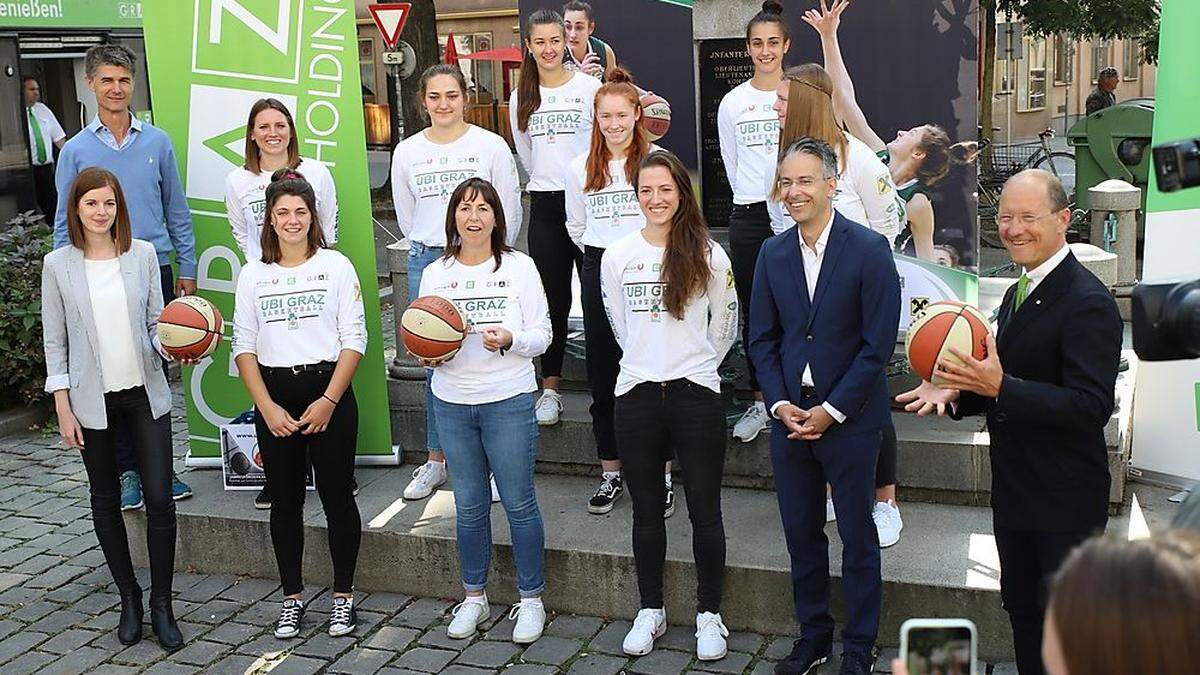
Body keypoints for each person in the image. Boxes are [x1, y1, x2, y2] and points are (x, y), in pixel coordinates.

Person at [897, 169, 1122, 675]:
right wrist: (956, 392)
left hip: (1065, 500)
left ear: (1064, 220)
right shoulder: (1020, 290)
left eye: (1028, 217)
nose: (1014, 228)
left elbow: (1090, 407)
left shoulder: (1088, 302)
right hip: (1017, 491)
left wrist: (999, 387)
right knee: (1023, 612)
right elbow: (1001, 380)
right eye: (1004, 216)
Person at [750, 138, 901, 675]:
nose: (794, 192)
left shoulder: (868, 249)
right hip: (791, 418)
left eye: (805, 180)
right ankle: (813, 638)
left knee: (859, 538)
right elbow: (761, 341)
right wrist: (779, 403)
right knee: (801, 535)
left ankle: (859, 649)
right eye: (786, 181)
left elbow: (877, 346)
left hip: (852, 420)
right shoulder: (773, 253)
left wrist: (833, 410)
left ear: (832, 183)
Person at [602, 150, 738, 661]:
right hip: (635, 394)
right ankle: (651, 609)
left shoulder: (708, 254)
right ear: (635, 197)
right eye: (646, 191)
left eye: (665, 190)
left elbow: (725, 324)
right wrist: (648, 363)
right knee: (645, 511)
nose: (656, 200)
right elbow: (619, 323)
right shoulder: (617, 256)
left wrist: (695, 364)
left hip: (695, 393)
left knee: (705, 510)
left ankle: (709, 615)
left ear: (682, 193)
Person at [41, 168, 184, 650]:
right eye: (91, 204)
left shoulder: (141, 256)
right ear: (76, 210)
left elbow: (154, 324)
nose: (101, 212)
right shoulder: (57, 265)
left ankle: (163, 604)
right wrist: (63, 405)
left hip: (145, 394)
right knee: (105, 500)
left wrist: (175, 345)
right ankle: (129, 598)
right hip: (90, 401)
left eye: (109, 203)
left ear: (118, 207)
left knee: (161, 498)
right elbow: (54, 342)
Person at [764, 61, 906, 546]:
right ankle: (831, 490)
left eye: (783, 99)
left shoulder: (859, 158)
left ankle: (884, 499)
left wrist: (864, 270)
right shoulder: (783, 161)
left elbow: (891, 219)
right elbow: (779, 224)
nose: (776, 107)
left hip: (858, 293)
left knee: (866, 396)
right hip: (804, 300)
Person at [53, 43, 194, 511]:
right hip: (94, 272)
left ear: (133, 85)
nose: (116, 88)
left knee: (153, 370)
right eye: (107, 80)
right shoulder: (75, 150)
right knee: (109, 373)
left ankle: (159, 466)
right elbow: (62, 219)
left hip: (152, 268)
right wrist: (62, 282)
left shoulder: (157, 142)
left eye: (124, 80)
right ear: (90, 84)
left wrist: (187, 269)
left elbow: (177, 208)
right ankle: (128, 470)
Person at [232, 170, 366, 640]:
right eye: (282, 212)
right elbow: (243, 346)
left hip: (328, 393)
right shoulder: (253, 274)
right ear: (269, 218)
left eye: (301, 212)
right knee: (284, 503)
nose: (292, 221)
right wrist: (265, 408)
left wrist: (330, 400)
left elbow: (355, 339)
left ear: (314, 217)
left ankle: (343, 599)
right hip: (276, 401)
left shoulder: (335, 266)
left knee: (336, 499)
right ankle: (291, 599)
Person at [417, 178, 552, 645]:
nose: (473, 217)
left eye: (482, 208)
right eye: (464, 208)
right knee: (469, 506)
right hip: (453, 402)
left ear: (497, 217)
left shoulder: (520, 268)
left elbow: (544, 334)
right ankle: (473, 597)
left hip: (508, 399)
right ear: (453, 217)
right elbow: (422, 334)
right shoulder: (436, 273)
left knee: (518, 502)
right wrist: (430, 353)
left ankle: (532, 599)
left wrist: (512, 339)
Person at [393, 64, 522, 503]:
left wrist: (494, 256)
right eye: (434, 96)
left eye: (451, 95)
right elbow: (408, 216)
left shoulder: (490, 145)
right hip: (431, 260)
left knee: (489, 356)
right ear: (423, 102)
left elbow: (507, 208)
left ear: (465, 97)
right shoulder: (407, 151)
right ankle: (435, 461)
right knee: (437, 362)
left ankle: (489, 465)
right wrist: (438, 252)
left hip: (486, 258)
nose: (443, 104)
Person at [564, 68, 673, 516]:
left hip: (649, 270)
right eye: (605, 115)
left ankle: (661, 476)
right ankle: (611, 472)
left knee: (655, 374)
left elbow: (671, 213)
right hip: (599, 267)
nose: (613, 124)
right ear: (596, 118)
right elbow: (576, 226)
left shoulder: (657, 159)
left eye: (621, 115)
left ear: (636, 115)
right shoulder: (579, 168)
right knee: (604, 375)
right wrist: (603, 264)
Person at [224, 98, 339, 510]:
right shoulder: (237, 181)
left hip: (310, 277)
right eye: (263, 126)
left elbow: (329, 225)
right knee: (268, 372)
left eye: (280, 124)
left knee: (325, 360)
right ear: (252, 134)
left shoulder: (317, 172)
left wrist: (306, 270)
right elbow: (241, 234)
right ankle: (279, 476)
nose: (272, 132)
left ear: (291, 129)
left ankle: (333, 468)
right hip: (266, 284)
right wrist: (266, 271)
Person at [800, 0, 974, 262]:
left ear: (918, 154)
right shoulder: (876, 156)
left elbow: (926, 263)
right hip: (839, 259)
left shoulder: (917, 202)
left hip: (877, 274)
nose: (903, 131)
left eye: (912, 134)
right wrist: (829, 36)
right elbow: (844, 97)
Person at [509, 8, 602, 427]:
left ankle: (613, 381)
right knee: (553, 300)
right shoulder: (521, 96)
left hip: (589, 200)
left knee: (600, 297)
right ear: (528, 47)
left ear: (567, 41)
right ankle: (550, 389)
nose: (548, 49)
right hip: (546, 204)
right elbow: (527, 155)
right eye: (539, 42)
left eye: (555, 40)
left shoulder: (590, 88)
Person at [719, 0, 791, 444]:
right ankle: (762, 399)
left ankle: (795, 392)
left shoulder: (798, 93)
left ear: (786, 46)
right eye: (758, 44)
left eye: (773, 43)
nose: (765, 51)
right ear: (748, 48)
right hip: (749, 214)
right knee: (755, 309)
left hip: (794, 215)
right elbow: (731, 160)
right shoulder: (733, 101)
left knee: (795, 307)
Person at [23, 75, 67, 220]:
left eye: (37, 89)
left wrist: (72, 159)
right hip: (26, 170)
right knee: (29, 209)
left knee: (52, 205)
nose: (36, 93)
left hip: (46, 168)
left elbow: (59, 138)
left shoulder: (42, 110)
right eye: (31, 89)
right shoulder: (15, 113)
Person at [562, 1, 618, 81]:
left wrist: (641, 93)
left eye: (579, 27)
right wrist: (582, 77)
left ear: (591, 28)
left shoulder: (604, 51)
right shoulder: (556, 53)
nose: (572, 35)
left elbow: (617, 85)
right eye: (568, 27)